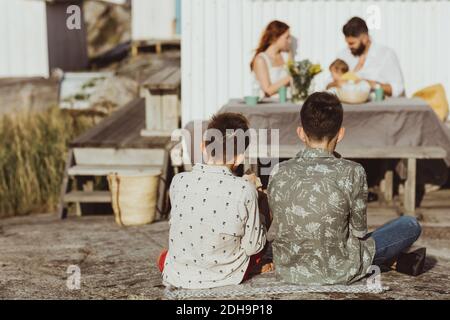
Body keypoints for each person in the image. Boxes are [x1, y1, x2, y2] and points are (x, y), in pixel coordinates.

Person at [268, 92, 423, 285]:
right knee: (409, 224)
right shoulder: (353, 171)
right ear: (340, 133)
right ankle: (393, 260)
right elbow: (359, 232)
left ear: (301, 132)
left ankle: (395, 261)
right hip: (338, 269)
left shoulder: (278, 171)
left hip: (288, 269)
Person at [158, 112, 273, 289]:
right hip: (225, 276)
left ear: (203, 146)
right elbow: (253, 248)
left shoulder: (178, 181)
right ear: (240, 157)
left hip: (180, 275)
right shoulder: (244, 189)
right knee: (257, 239)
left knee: (164, 257)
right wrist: (259, 197)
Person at [327, 17, 405, 97]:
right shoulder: (342, 55)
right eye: (347, 43)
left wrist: (369, 84)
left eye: (352, 43)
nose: (349, 46)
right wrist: (338, 83)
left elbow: (398, 89)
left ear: (365, 38)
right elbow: (328, 85)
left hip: (377, 107)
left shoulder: (386, 54)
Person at [250, 20, 293, 98]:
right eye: (287, 37)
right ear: (275, 37)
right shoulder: (261, 59)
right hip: (270, 106)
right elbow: (268, 90)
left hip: (289, 103)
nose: (289, 41)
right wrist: (291, 77)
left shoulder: (286, 56)